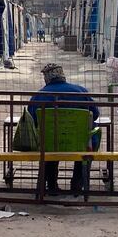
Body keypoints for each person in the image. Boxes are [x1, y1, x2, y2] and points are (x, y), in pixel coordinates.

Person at [28, 63, 100, 195]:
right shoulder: (81, 91)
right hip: (80, 142)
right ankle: (77, 185)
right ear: (62, 75)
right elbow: (95, 115)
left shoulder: (38, 96)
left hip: (49, 143)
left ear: (47, 78)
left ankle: (51, 185)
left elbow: (32, 120)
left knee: (50, 144)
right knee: (86, 145)